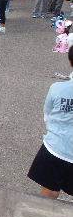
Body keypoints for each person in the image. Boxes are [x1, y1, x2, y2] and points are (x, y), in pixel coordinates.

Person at [27, 46, 73, 199]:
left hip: (55, 148)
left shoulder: (57, 89)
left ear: (70, 61)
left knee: (50, 191)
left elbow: (47, 115)